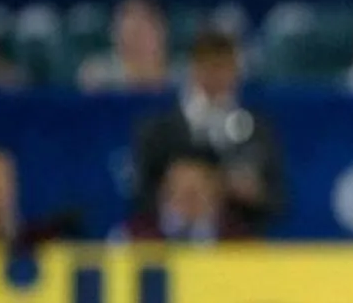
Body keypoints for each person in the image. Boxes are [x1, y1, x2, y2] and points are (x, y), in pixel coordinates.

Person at [133, 30, 286, 232]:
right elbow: (140, 195)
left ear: (236, 72)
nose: (216, 76)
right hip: (171, 242)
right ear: (194, 69)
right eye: (209, 66)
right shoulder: (160, 129)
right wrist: (175, 195)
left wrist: (253, 193)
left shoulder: (257, 130)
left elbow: (278, 199)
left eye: (224, 67)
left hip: (236, 246)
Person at [122, 151, 252, 243]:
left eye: (198, 189)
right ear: (164, 190)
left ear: (218, 191)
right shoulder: (134, 237)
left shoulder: (239, 242)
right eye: (180, 187)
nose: (189, 197)